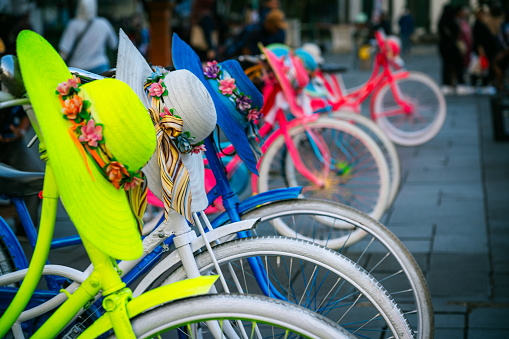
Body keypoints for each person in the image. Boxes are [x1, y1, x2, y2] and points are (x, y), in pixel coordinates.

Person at [58, 0, 118, 74]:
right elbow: (114, 44)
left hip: (78, 70)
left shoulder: (73, 25)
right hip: (101, 67)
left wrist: (57, 69)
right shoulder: (104, 23)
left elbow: (64, 51)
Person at [438, 4, 470, 95]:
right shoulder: (453, 22)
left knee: (446, 66)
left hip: (443, 46)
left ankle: (447, 84)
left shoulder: (441, 22)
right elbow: (458, 33)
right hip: (453, 46)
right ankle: (460, 84)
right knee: (458, 65)